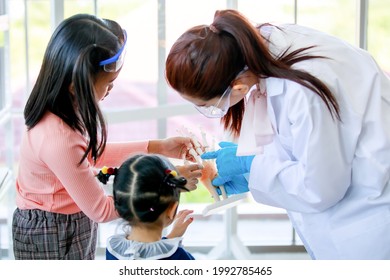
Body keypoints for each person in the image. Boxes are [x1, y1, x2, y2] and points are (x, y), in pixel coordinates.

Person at [165, 9, 390, 259]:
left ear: (237, 87)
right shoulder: (253, 48)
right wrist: (252, 171)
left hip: (369, 215)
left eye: (211, 106)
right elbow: (298, 141)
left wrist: (252, 166)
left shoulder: (303, 91)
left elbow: (319, 189)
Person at [13, 13, 202, 260]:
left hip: (71, 215)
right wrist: (164, 185)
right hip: (53, 232)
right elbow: (101, 210)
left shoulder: (65, 109)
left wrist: (159, 147)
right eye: (108, 82)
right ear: (75, 84)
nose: (111, 89)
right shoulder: (57, 137)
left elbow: (88, 155)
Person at [99, 154, 195, 260]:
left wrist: (171, 237)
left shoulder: (114, 250)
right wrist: (172, 242)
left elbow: (146, 254)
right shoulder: (180, 257)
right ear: (172, 209)